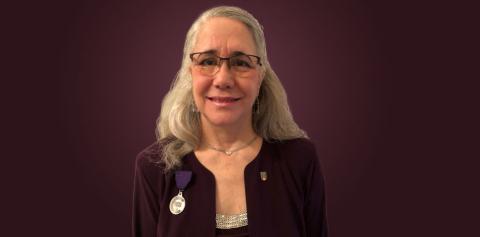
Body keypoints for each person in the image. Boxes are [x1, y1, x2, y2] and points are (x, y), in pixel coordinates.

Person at [132, 6, 328, 237]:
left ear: (260, 75)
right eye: (207, 61)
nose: (223, 79)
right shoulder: (154, 167)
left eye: (241, 63)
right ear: (190, 73)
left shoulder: (299, 160)